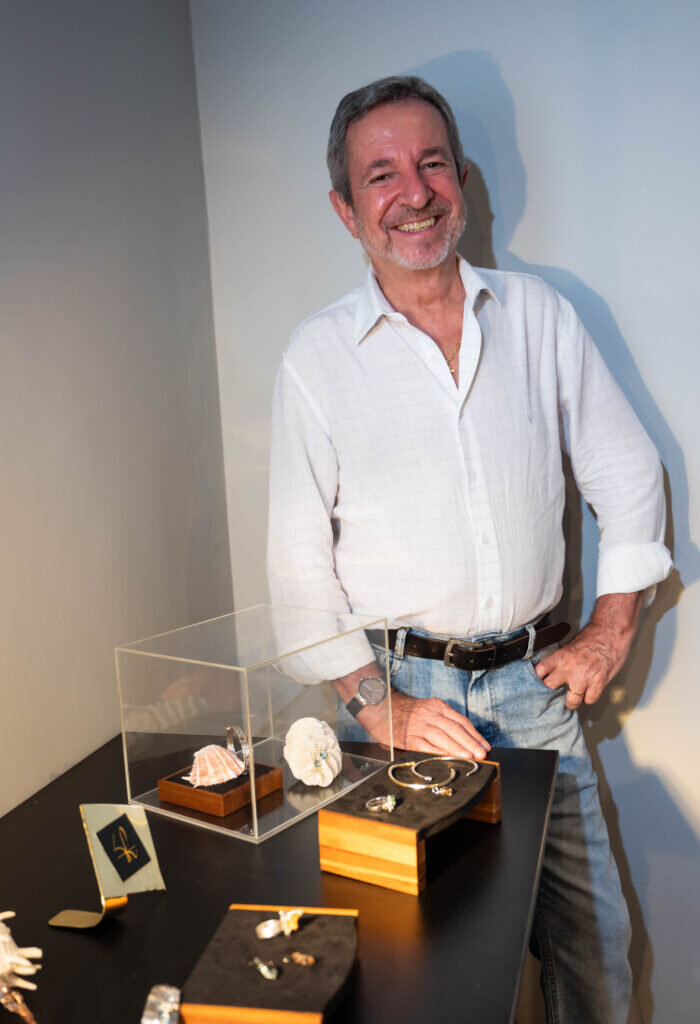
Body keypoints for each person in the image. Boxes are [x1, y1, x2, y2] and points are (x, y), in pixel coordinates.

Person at [267, 75, 671, 1022]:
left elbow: (628, 476)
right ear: (346, 209)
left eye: (432, 163)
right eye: (381, 175)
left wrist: (611, 631)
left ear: (462, 179)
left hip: (537, 693)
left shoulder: (540, 315)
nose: (414, 192)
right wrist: (381, 708)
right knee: (419, 979)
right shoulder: (316, 358)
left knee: (595, 961)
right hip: (399, 706)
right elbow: (296, 565)